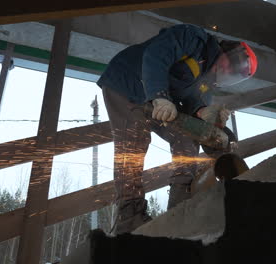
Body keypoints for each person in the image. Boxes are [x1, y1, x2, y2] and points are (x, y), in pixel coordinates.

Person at [96, 23, 258, 235]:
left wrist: (211, 120)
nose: (228, 71)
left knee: (187, 138)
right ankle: (129, 213)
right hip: (127, 82)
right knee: (134, 142)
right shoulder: (193, 38)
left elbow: (197, 118)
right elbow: (156, 56)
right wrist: (161, 97)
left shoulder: (207, 83)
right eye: (232, 64)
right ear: (225, 50)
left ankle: (180, 201)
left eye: (235, 73)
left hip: (157, 100)